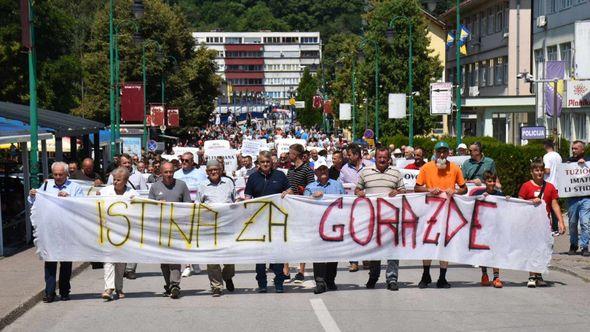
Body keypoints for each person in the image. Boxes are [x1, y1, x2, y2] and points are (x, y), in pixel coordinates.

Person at [28, 161, 84, 303]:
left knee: (66, 262)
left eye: (61, 174)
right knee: (50, 261)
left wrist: (69, 198)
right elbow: (34, 202)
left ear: (67, 174)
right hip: (50, 229)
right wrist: (33, 195)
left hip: (67, 230)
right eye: (56, 174)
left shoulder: (75, 187)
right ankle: (49, 292)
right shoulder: (46, 185)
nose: (58, 177)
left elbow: (83, 205)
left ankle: (65, 291)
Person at [414, 141, 468, 289]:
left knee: (445, 244)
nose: (442, 155)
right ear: (435, 153)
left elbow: (464, 189)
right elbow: (416, 188)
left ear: (448, 153)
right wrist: (429, 190)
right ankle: (425, 275)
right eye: (439, 152)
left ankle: (442, 278)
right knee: (427, 243)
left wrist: (455, 191)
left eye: (444, 152)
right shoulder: (426, 168)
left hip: (447, 212)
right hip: (429, 212)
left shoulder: (455, 168)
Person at [355, 147, 405, 290]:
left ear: (389, 159)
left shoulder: (396, 173)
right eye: (379, 157)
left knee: (393, 249)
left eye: (385, 157)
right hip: (372, 218)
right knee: (373, 249)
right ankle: (373, 276)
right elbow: (357, 189)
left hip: (391, 219)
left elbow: (403, 191)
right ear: (375, 158)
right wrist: (359, 193)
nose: (382, 160)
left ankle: (392, 279)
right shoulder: (366, 172)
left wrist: (397, 191)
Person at [244, 151, 291, 293]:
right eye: (262, 162)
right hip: (259, 222)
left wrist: (288, 193)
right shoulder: (252, 178)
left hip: (277, 222)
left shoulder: (280, 175)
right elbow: (247, 196)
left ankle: (279, 282)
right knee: (260, 255)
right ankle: (262, 283)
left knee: (277, 253)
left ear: (272, 162)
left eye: (267, 162)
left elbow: (289, 190)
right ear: (258, 163)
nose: (265, 164)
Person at [518, 159, 566, 287]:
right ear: (531, 172)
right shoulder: (526, 186)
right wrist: (530, 202)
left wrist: (561, 222)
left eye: (541, 170)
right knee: (532, 250)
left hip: (545, 225)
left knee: (542, 250)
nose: (539, 172)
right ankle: (532, 276)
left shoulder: (549, 187)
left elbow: (555, 205)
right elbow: (519, 203)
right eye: (536, 170)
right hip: (530, 224)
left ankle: (539, 275)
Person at [149, 162, 192, 299]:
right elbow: (149, 207)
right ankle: (168, 284)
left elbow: (188, 205)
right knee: (164, 261)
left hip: (177, 228)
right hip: (161, 229)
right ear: (161, 173)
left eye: (171, 172)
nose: (169, 175)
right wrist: (157, 205)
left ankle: (175, 285)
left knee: (174, 258)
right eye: (166, 172)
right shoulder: (155, 187)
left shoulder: (181, 185)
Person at [97, 167, 138, 300]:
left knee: (121, 262)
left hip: (125, 233)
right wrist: (95, 196)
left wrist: (134, 202)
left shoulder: (132, 193)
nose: (115, 182)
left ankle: (119, 287)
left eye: (118, 180)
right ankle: (108, 288)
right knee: (108, 260)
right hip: (108, 231)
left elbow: (139, 209)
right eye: (114, 179)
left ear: (125, 181)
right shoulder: (105, 191)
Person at [196, 160, 236, 297]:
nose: (213, 172)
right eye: (210, 170)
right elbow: (197, 205)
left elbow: (236, 202)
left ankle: (227, 275)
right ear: (207, 172)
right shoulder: (202, 186)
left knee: (230, 258)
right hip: (210, 227)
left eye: (216, 169)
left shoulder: (229, 183)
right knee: (212, 258)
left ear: (220, 170)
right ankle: (216, 286)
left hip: (227, 226)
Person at [304, 165, 345, 294]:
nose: (323, 172)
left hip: (334, 224)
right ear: (315, 172)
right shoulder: (310, 187)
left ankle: (330, 280)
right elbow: (303, 205)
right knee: (319, 254)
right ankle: (320, 282)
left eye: (325, 169)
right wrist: (312, 198)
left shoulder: (337, 185)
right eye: (320, 170)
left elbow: (345, 201)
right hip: (317, 225)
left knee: (334, 253)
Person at [285, 143, 316, 283]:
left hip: (302, 209)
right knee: (286, 238)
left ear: (296, 154)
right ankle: (285, 271)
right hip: (289, 209)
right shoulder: (290, 170)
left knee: (302, 239)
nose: (288, 155)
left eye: (290, 152)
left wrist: (297, 191)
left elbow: (311, 188)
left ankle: (301, 271)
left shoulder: (307, 170)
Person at [470, 171, 505, 288]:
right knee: (483, 252)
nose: (492, 183)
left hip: (495, 227)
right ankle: (484, 274)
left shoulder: (499, 194)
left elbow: (504, 209)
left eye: (494, 181)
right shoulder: (479, 193)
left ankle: (496, 277)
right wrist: (480, 198)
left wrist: (508, 200)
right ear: (485, 182)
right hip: (482, 228)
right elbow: (471, 205)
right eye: (490, 181)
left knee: (496, 252)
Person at [339, 144, 366, 272]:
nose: (347, 157)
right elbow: (340, 186)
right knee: (352, 234)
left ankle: (368, 258)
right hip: (351, 206)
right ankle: (354, 261)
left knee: (367, 231)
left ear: (356, 155)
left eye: (349, 155)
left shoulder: (369, 167)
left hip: (367, 205)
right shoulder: (344, 169)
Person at [564, 140, 590, 256]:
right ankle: (573, 244)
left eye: (576, 148)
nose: (573, 150)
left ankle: (584, 246)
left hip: (586, 197)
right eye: (573, 148)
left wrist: (584, 164)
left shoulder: (588, 161)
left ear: (582, 150)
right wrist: (569, 165)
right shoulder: (568, 161)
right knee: (573, 223)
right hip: (572, 198)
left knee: (585, 222)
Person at [543, 139, 563, 235]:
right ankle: (555, 228)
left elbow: (547, 170)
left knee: (547, 207)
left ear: (545, 146)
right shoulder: (558, 156)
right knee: (554, 207)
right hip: (557, 184)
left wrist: (538, 169)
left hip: (548, 183)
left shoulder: (547, 156)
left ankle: (552, 228)